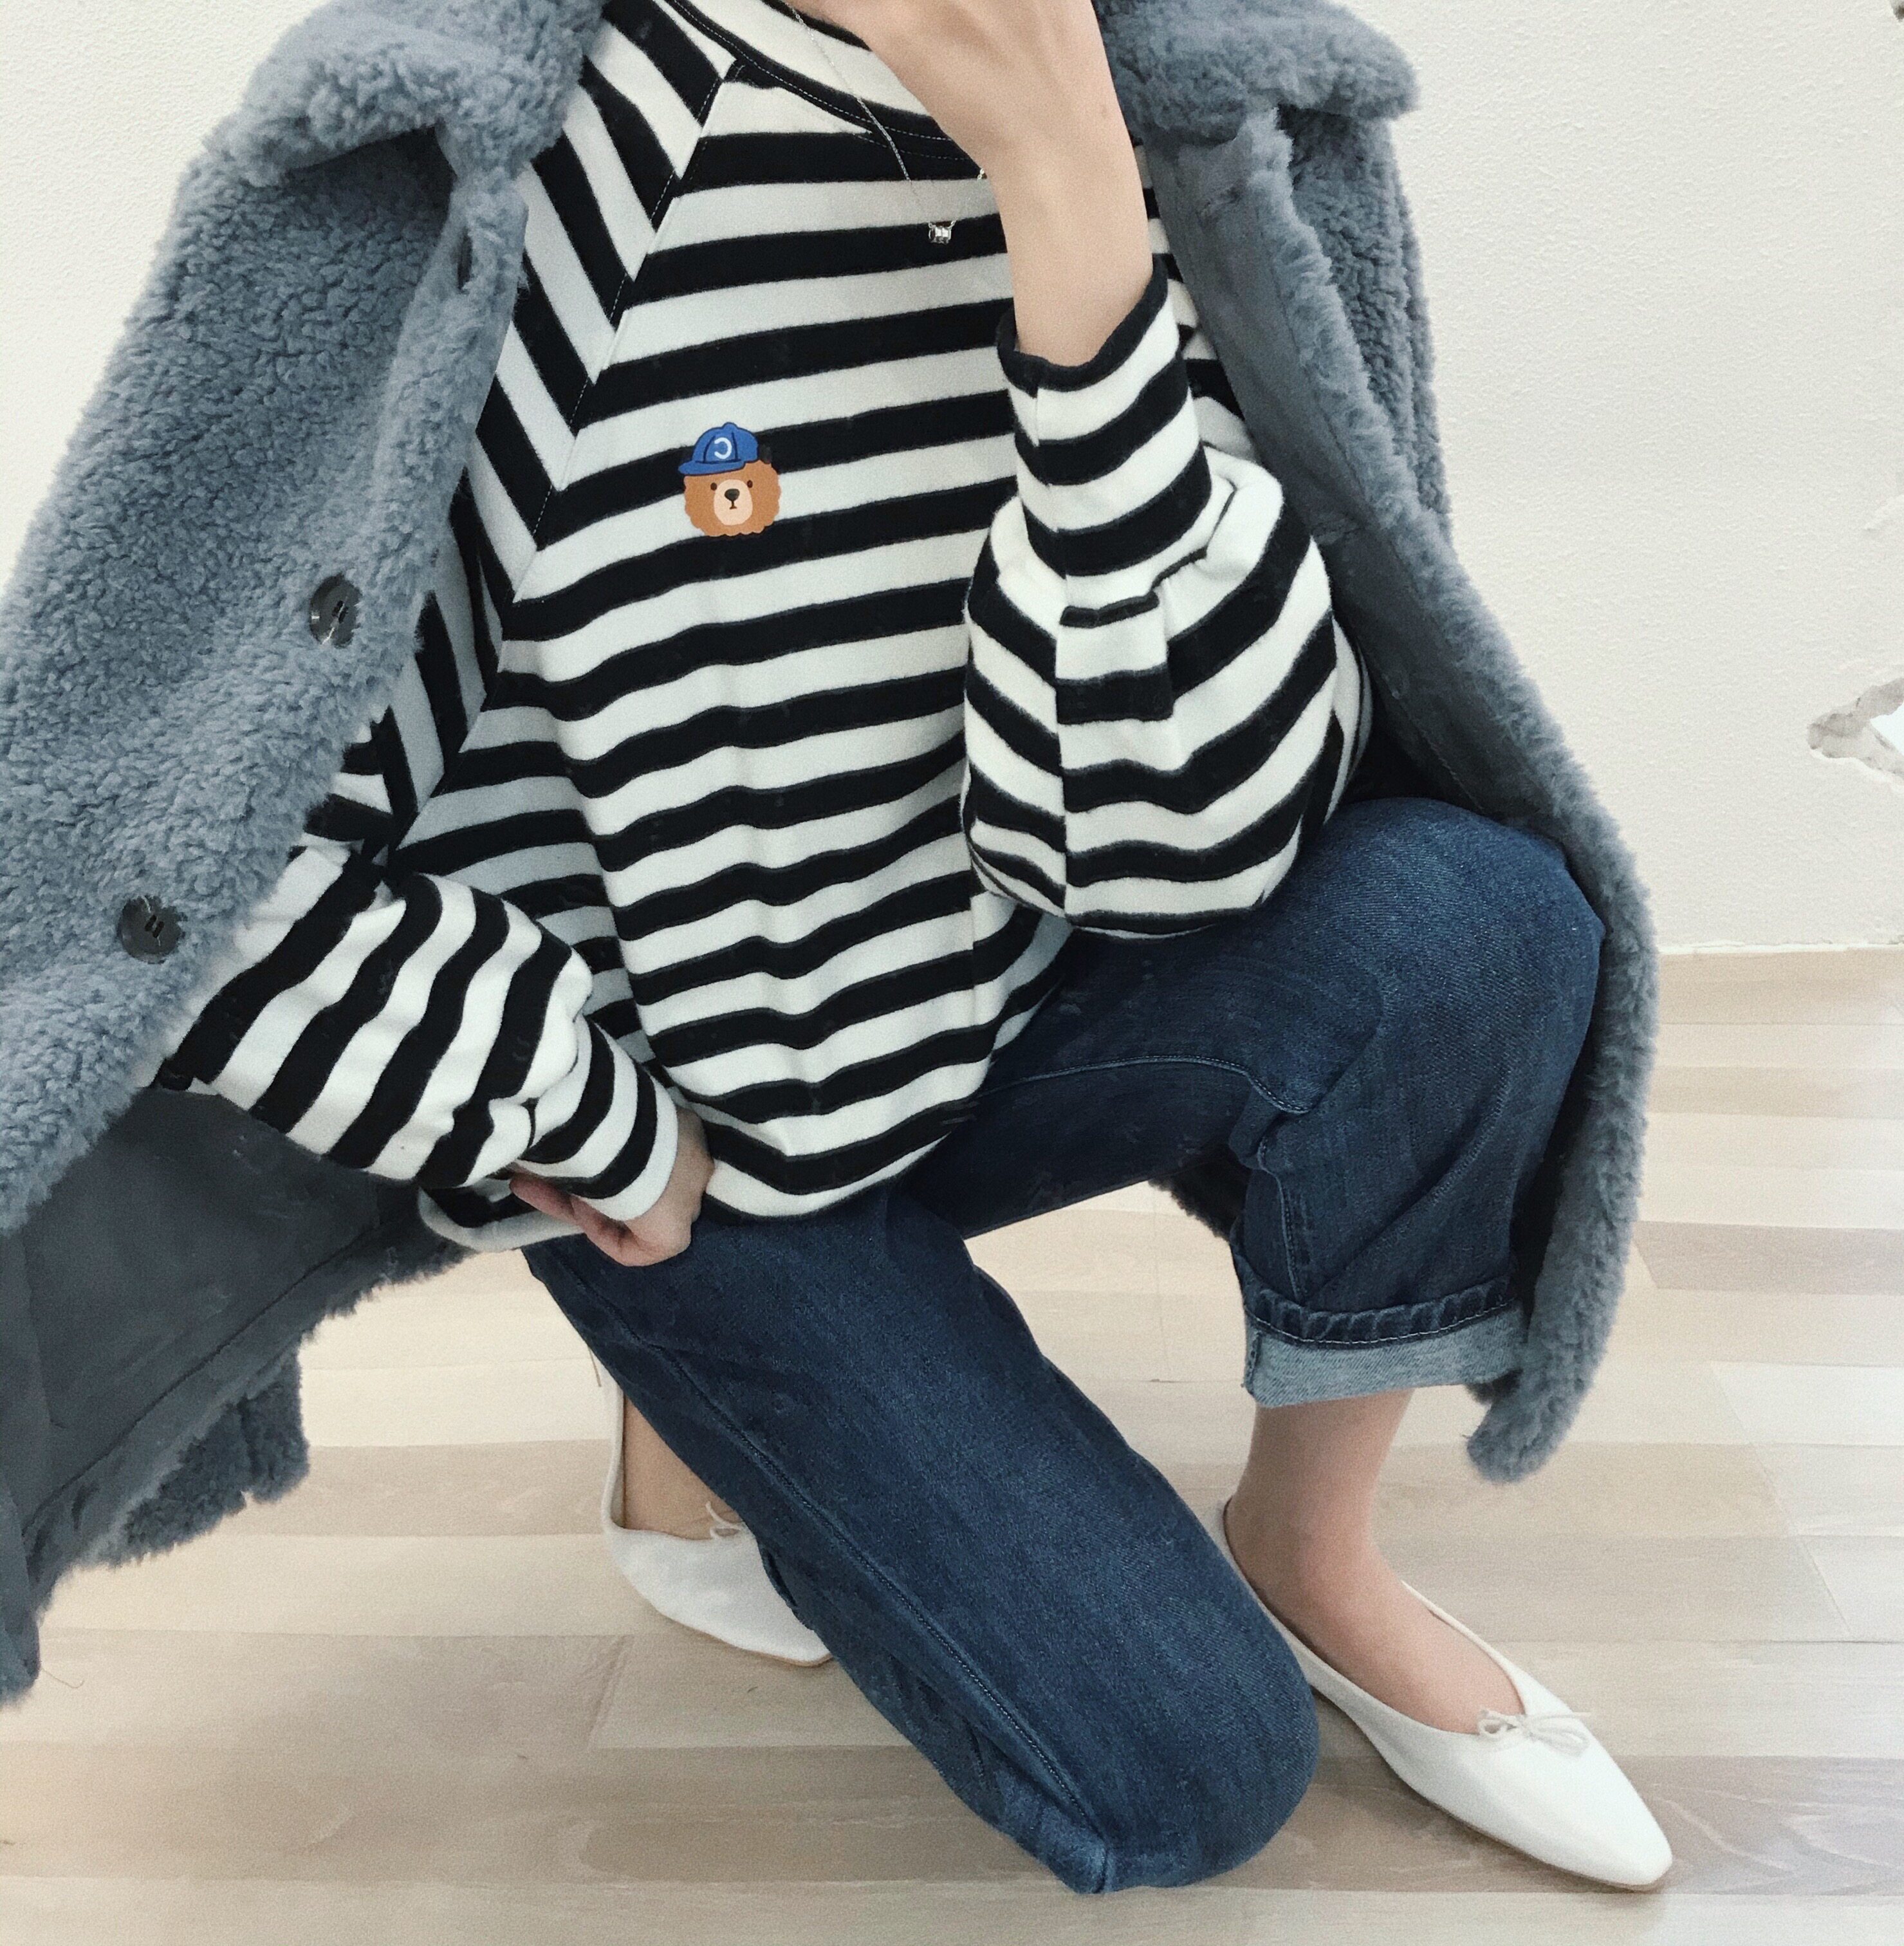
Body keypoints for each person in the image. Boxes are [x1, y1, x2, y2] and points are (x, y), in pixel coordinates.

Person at [142, 0, 1670, 1894]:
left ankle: (1313, 1552)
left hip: (1005, 986)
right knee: (1187, 1772)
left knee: (1477, 926)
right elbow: (171, 858)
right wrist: (592, 1126)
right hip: (687, 1142)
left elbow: (1192, 840)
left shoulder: (1186, 110)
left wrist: (1071, 205)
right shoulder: (504, 150)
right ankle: (693, 1413)